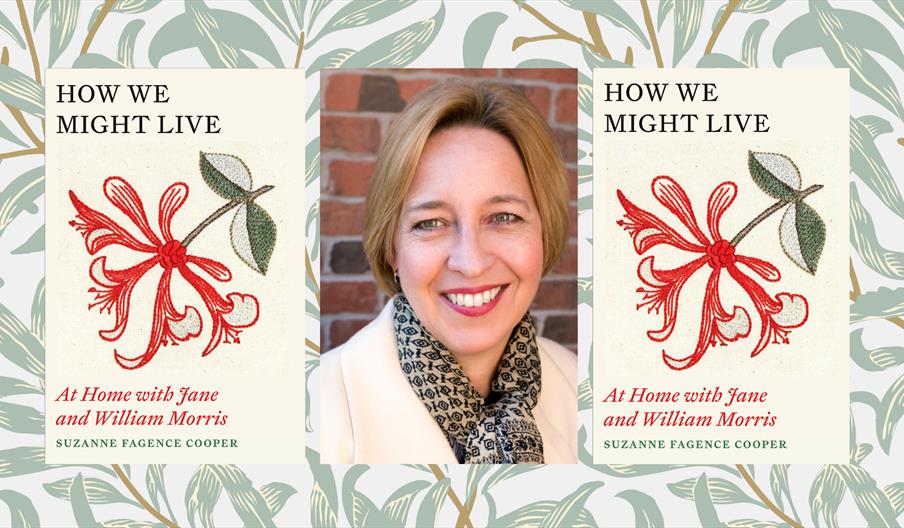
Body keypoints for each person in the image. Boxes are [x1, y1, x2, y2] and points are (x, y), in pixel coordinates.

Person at [320, 80, 577, 464]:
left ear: (545, 230)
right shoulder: (309, 415)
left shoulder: (582, 387)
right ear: (392, 246)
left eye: (504, 217)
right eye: (431, 223)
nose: (471, 263)